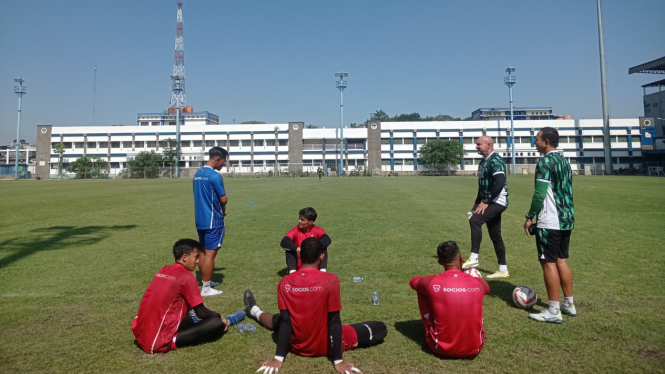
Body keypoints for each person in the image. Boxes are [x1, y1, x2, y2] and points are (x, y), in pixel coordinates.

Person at [246, 237, 387, 374]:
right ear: (321, 256)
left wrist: (278, 358)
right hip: (326, 346)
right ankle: (254, 310)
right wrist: (338, 361)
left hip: (295, 345)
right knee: (381, 327)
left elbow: (286, 322)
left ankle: (254, 310)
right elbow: (334, 320)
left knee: (279, 319)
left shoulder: (285, 281)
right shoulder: (331, 279)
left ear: (300, 255)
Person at [132, 239, 231, 353]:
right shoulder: (187, 277)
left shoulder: (163, 270)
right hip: (157, 341)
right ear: (185, 257)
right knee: (215, 323)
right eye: (196, 256)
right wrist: (219, 316)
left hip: (141, 333)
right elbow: (201, 312)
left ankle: (189, 321)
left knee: (186, 309)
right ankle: (228, 320)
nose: (198, 261)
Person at [524, 127, 576, 324]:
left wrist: (530, 217)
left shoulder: (545, 161)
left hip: (551, 220)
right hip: (567, 218)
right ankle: (569, 304)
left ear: (546, 141)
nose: (534, 142)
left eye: (537, 139)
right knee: (561, 259)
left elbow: (539, 194)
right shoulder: (564, 160)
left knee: (548, 262)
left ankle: (553, 310)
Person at [410, 241, 490, 358]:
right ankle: (469, 335)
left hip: (440, 349)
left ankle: (436, 330)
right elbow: (487, 289)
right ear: (461, 258)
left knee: (421, 290)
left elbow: (413, 282)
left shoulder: (431, 282)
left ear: (440, 262)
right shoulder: (478, 282)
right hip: (475, 348)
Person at [463, 136, 510, 278]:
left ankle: (473, 258)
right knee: (495, 235)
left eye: (478, 144)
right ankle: (503, 270)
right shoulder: (483, 163)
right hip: (489, 200)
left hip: (498, 201)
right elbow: (482, 187)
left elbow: (499, 183)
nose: (476, 147)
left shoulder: (496, 160)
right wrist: (475, 206)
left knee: (475, 221)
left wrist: (486, 202)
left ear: (488, 145)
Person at [193, 147, 229, 296]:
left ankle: (205, 282)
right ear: (217, 160)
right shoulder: (214, 176)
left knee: (203, 251)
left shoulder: (197, 174)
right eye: (223, 163)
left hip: (200, 219)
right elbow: (223, 198)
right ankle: (206, 289)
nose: (223, 166)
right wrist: (222, 209)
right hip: (213, 220)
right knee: (210, 253)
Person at [280, 207, 332, 273]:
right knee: (289, 249)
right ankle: (292, 273)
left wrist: (313, 248)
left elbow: (327, 240)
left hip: (313, 264)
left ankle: (322, 272)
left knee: (323, 248)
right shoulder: (295, 230)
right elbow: (284, 242)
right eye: (299, 218)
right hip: (300, 263)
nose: (299, 221)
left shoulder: (317, 230)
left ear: (310, 222)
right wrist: (297, 248)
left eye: (302, 220)